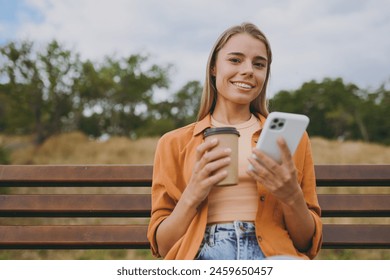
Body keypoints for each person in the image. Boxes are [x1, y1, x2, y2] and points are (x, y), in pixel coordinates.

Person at [147, 22, 322, 260]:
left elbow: (305, 243)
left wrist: (291, 196)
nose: (249, 70)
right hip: (202, 254)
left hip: (273, 255)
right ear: (213, 68)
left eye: (259, 64)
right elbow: (164, 247)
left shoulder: (293, 140)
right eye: (235, 60)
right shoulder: (173, 143)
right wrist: (193, 193)